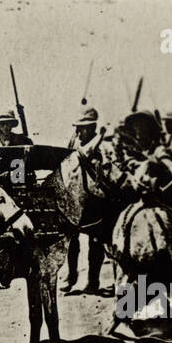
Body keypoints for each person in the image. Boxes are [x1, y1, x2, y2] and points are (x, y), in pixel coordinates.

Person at [63, 107, 106, 293]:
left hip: (94, 199)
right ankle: (71, 276)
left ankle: (93, 281)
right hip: (74, 197)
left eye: (86, 127)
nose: (82, 131)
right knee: (72, 239)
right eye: (80, 127)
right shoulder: (73, 140)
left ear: (93, 126)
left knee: (95, 241)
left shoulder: (101, 144)